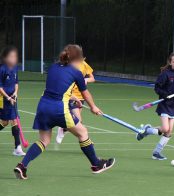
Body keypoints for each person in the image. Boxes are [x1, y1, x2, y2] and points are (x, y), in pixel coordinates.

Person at [14, 44, 115, 180]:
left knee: (44, 140)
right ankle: (97, 164)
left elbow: (57, 87)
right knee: (83, 132)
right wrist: (93, 107)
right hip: (58, 109)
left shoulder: (54, 67)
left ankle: (22, 166)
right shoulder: (76, 73)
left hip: (43, 106)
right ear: (79, 58)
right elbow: (85, 94)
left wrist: (72, 97)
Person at [136, 52, 174, 160]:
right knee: (165, 128)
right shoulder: (165, 74)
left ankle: (156, 152)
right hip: (165, 105)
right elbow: (157, 87)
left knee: (169, 132)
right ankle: (147, 131)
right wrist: (163, 94)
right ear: (170, 62)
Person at [56, 60, 95, 144]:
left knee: (76, 122)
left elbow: (92, 78)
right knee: (79, 121)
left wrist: (86, 79)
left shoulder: (85, 65)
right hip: (72, 96)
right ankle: (87, 142)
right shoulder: (68, 65)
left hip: (81, 96)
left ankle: (64, 128)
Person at [0, 46, 26, 156]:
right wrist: (7, 97)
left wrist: (15, 93)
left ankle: (17, 148)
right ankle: (17, 148)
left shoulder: (15, 68)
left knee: (8, 121)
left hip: (12, 97)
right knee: (10, 120)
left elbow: (16, 82)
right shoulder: (2, 69)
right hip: (3, 98)